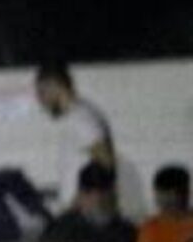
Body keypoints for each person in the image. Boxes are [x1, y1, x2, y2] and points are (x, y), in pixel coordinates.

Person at [34, 61, 132, 212]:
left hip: (85, 214)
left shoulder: (81, 119)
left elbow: (106, 163)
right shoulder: (75, 116)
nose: (40, 100)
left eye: (42, 92)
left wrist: (80, 203)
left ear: (56, 87)